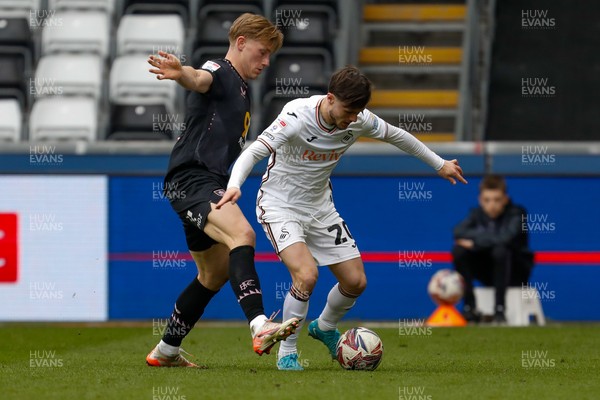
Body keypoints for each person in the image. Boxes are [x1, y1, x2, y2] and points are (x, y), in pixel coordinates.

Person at [216, 66, 467, 370]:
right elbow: (254, 151)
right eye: (349, 110)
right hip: (279, 205)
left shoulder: (359, 119)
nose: (353, 118)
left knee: (356, 281)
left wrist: (439, 164)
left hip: (320, 208)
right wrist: (234, 186)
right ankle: (288, 353)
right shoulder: (296, 116)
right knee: (307, 275)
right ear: (330, 98)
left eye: (358, 111)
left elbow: (399, 137)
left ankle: (323, 327)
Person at [145, 13, 299, 368]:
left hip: (203, 182)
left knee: (212, 275)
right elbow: (200, 78)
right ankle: (260, 325)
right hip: (192, 179)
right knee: (243, 233)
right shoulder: (222, 70)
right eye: (261, 53)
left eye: (270, 56)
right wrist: (181, 72)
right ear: (241, 42)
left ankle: (166, 350)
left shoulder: (242, 87)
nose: (265, 62)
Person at [452, 175, 534, 323]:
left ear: (505, 199)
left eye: (497, 200)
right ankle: (470, 309)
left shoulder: (517, 214)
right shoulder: (476, 214)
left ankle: (500, 310)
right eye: (487, 200)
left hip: (516, 272)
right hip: (488, 271)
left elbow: (506, 238)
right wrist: (486, 240)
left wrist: (476, 243)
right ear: (480, 200)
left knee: (500, 250)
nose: (492, 205)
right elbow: (458, 232)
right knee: (459, 250)